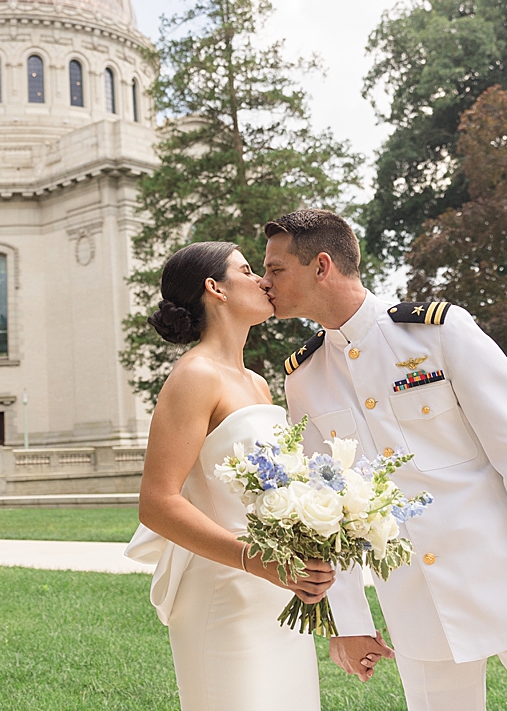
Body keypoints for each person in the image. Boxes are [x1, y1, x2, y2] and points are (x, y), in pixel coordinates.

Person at [259, 209, 507, 711]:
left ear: (321, 266)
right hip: (415, 606)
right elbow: (325, 511)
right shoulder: (305, 377)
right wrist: (351, 624)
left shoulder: (439, 334)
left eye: (276, 270)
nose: (264, 281)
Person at [125, 241, 334, 711]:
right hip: (225, 586)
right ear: (214, 287)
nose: (263, 280)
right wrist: (255, 561)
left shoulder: (258, 382)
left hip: (277, 589)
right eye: (247, 270)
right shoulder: (194, 376)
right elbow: (157, 502)